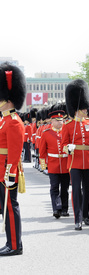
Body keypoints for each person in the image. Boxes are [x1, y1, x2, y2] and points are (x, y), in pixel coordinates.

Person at [61, 79, 89, 231]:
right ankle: (77, 218)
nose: (86, 110)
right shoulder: (68, 125)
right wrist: (68, 148)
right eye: (84, 108)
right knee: (76, 190)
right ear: (78, 109)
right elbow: (64, 146)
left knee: (88, 190)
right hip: (75, 162)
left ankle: (85, 215)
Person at [0, 62, 26, 256]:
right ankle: (10, 242)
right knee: (5, 209)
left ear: (7, 99)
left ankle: (15, 245)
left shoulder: (14, 121)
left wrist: (10, 173)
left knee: (10, 208)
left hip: (6, 172)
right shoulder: (4, 120)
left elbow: (15, 151)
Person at [39, 109, 70, 219]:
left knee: (65, 188)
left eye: (61, 120)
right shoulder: (46, 133)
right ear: (52, 121)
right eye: (57, 120)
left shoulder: (67, 132)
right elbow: (42, 151)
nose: (60, 122)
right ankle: (57, 208)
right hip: (53, 165)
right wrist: (44, 166)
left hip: (65, 164)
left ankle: (65, 208)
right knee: (55, 187)